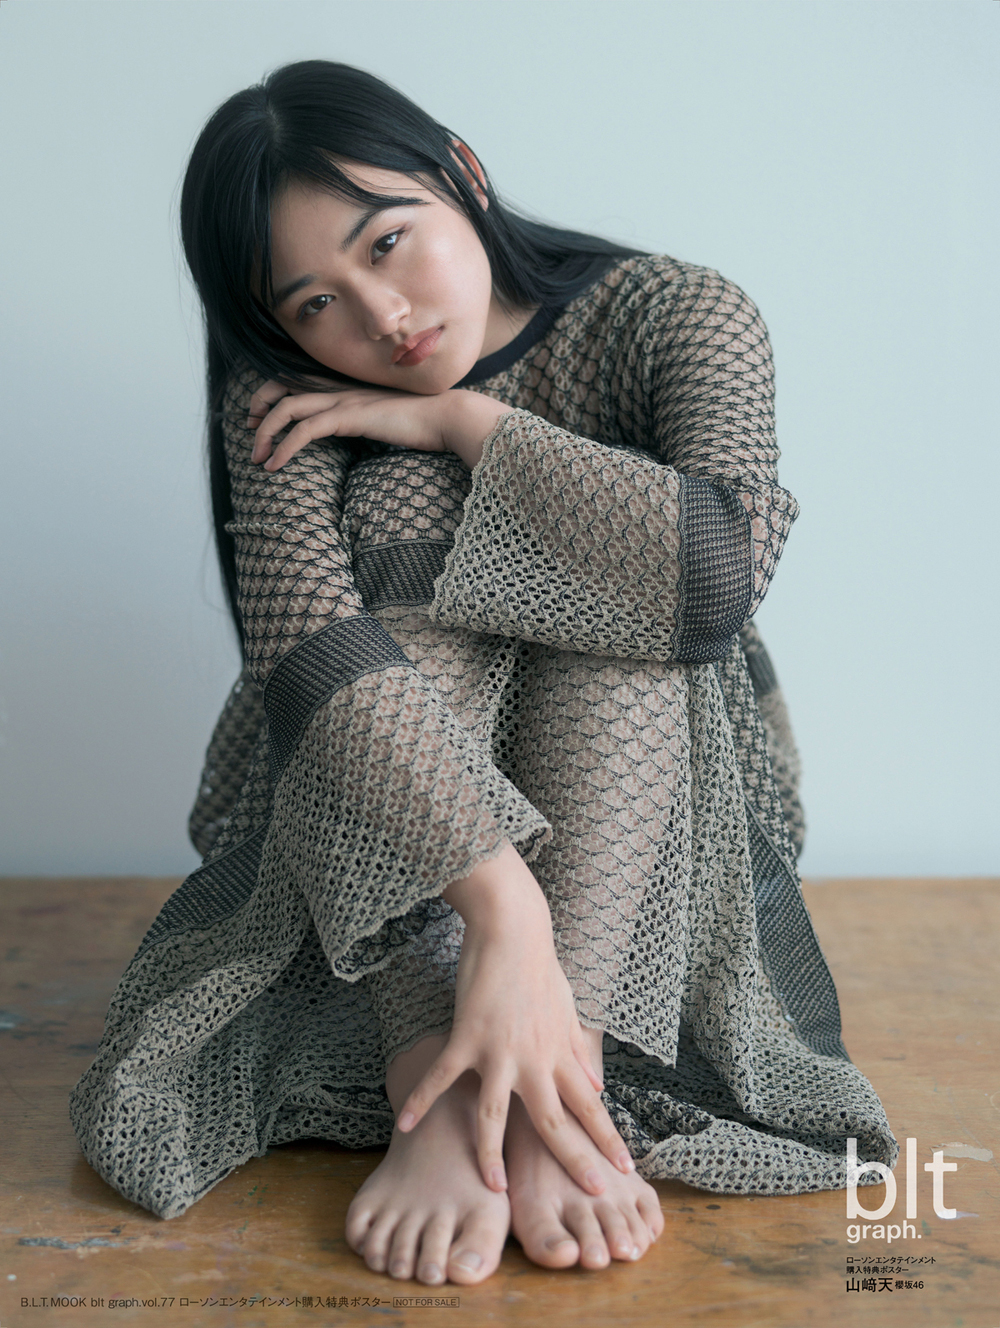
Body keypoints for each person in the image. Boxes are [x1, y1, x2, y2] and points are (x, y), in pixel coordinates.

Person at [70, 60, 896, 1287]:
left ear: (461, 169)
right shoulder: (286, 393)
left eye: (387, 241)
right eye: (316, 302)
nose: (380, 317)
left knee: (619, 587)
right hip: (371, 816)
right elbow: (301, 646)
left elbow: (713, 581)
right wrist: (506, 909)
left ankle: (560, 1081)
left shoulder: (681, 312)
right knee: (398, 505)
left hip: (664, 815)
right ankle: (443, 1084)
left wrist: (463, 424)